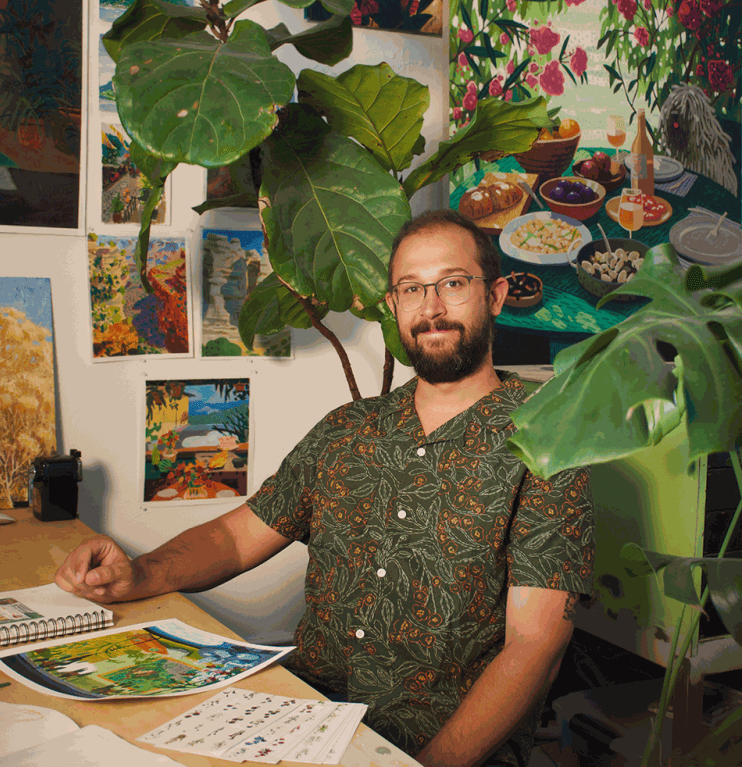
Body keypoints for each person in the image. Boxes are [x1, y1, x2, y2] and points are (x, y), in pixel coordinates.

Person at [56, 210, 594, 767]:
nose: (430, 308)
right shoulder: (347, 429)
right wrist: (140, 574)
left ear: (497, 295)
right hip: (302, 717)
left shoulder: (546, 441)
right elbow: (238, 538)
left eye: (452, 284)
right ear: (394, 307)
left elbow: (535, 646)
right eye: (411, 289)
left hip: (437, 743)